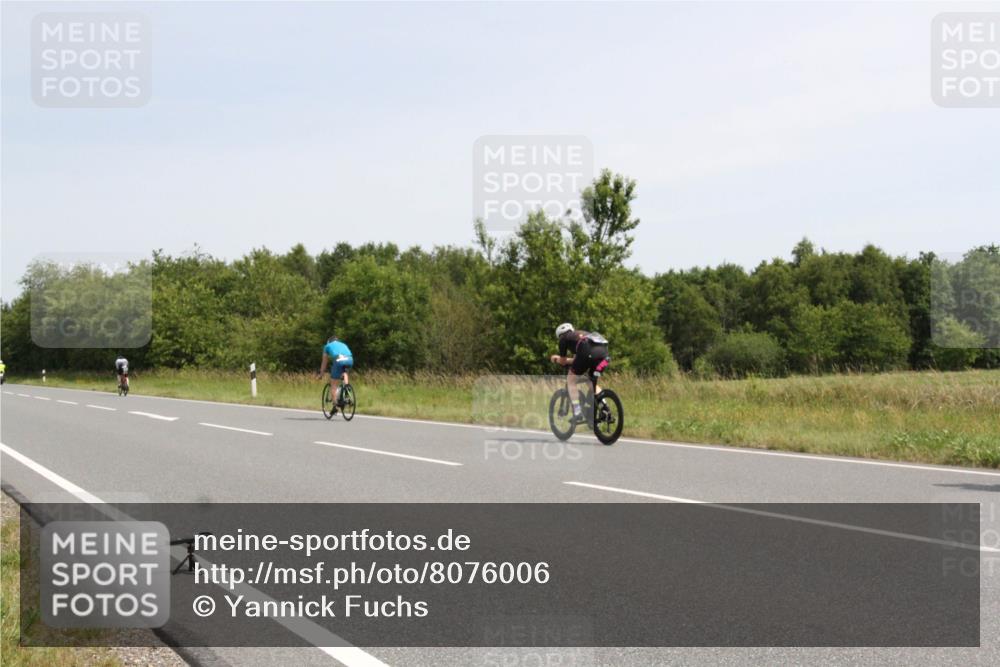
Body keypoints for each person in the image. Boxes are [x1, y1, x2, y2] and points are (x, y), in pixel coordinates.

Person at [550, 323, 610, 422]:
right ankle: (605, 407)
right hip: (604, 356)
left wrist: (555, 359)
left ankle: (578, 412)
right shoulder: (582, 334)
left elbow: (563, 361)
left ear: (560, 335)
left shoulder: (563, 339)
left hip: (587, 353)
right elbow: (576, 360)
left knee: (571, 380)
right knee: (591, 380)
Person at [317, 335, 353, 410]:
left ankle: (335, 407)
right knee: (344, 371)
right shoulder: (343, 344)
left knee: (333, 384)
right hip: (350, 359)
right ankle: (346, 387)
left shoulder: (327, 346)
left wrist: (321, 374)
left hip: (339, 360)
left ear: (329, 342)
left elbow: (324, 362)